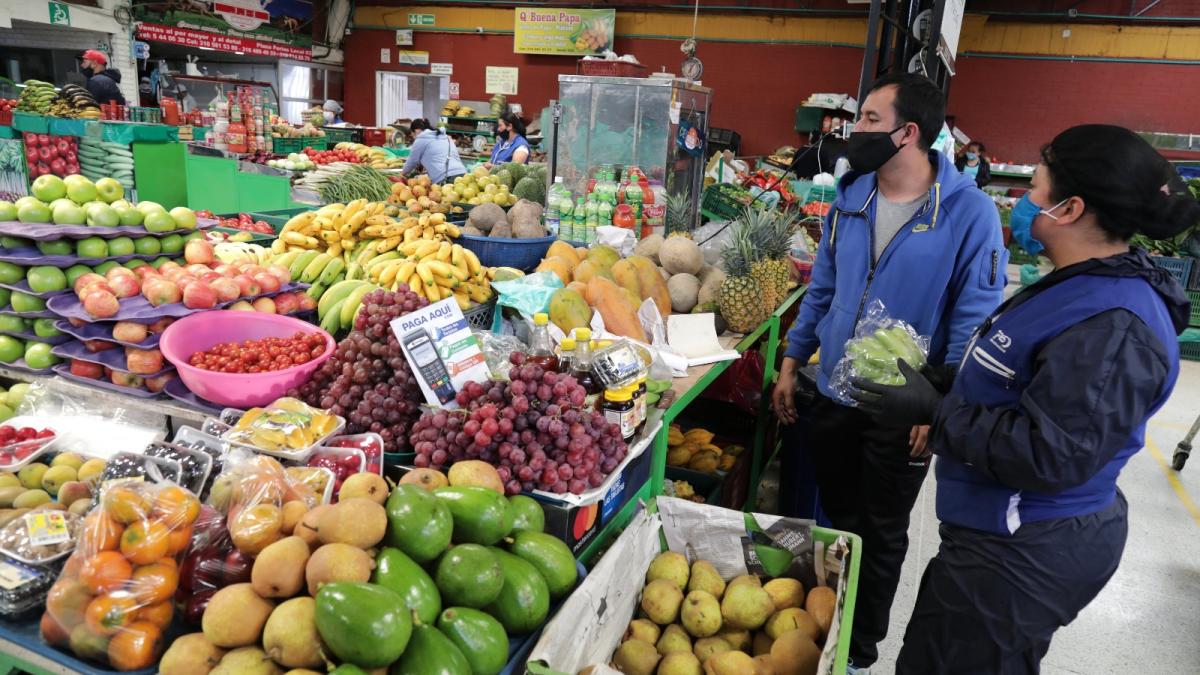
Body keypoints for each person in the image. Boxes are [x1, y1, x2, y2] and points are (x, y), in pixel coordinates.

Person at [849, 124, 1196, 674]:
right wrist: (946, 381)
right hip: (995, 533)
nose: (1020, 202)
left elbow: (1054, 453)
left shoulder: (1115, 325)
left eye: (1034, 188)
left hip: (1025, 548)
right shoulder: (1081, 281)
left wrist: (937, 412)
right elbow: (1029, 380)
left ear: (1071, 207)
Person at [771, 72, 1007, 673]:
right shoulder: (852, 197)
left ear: (909, 133)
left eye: (871, 121)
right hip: (832, 393)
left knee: (881, 531)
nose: (857, 131)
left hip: (903, 405)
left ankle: (858, 648)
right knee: (839, 518)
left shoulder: (966, 212)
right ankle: (827, 623)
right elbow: (823, 289)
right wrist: (793, 361)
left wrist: (937, 403)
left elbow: (972, 315)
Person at [401, 122, 466, 184]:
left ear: (417, 130)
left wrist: (401, 175)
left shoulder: (421, 139)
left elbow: (412, 161)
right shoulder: (445, 137)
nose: (414, 138)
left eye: (413, 136)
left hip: (446, 178)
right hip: (463, 175)